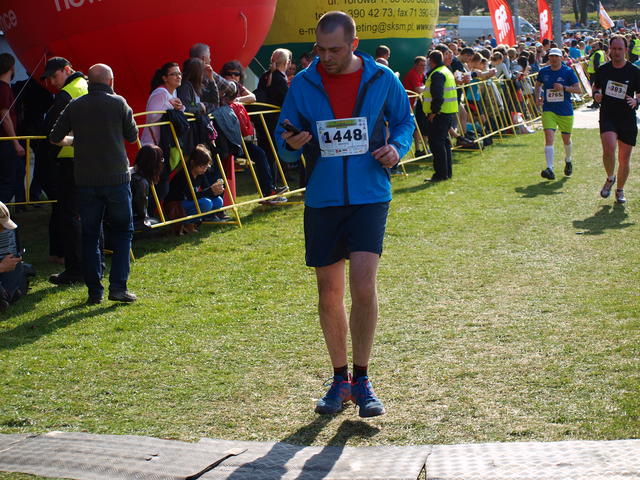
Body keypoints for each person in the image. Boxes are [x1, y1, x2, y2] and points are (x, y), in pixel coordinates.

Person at [275, 11, 414, 418]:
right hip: (323, 197)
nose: (326, 57)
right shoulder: (303, 83)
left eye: (334, 50)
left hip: (370, 194)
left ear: (354, 45)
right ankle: (339, 380)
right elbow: (284, 137)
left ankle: (364, 379)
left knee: (363, 285)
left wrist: (397, 148)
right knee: (328, 291)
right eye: (320, 49)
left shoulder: (382, 78)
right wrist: (292, 142)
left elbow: (404, 122)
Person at [49, 63, 139, 304]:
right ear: (111, 81)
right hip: (117, 179)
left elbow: (54, 137)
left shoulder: (75, 105)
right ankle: (118, 287)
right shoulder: (119, 102)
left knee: (89, 236)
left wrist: (75, 140)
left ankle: (94, 292)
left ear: (89, 82)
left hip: (86, 181)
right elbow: (132, 136)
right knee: (122, 232)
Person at [41, 57, 88, 285]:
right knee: (89, 214)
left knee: (70, 216)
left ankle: (75, 268)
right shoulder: (88, 85)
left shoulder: (67, 93)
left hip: (69, 160)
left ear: (67, 70)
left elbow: (51, 132)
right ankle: (89, 264)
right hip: (90, 159)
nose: (52, 81)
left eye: (54, 75)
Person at [592, 35, 640, 204]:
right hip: (608, 115)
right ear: (609, 50)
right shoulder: (603, 70)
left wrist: (636, 101)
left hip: (627, 117)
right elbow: (595, 87)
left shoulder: (634, 71)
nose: (617, 52)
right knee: (609, 148)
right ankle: (610, 178)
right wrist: (596, 95)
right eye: (614, 49)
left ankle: (620, 190)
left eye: (620, 49)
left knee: (624, 159)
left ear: (626, 50)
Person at [534, 48, 581, 180]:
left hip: (565, 110)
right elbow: (537, 86)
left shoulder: (568, 71)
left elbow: (578, 90)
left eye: (556, 56)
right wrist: (537, 98)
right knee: (549, 138)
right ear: (549, 57)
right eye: (551, 56)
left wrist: (564, 88)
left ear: (561, 58)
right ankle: (550, 168)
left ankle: (568, 160)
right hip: (549, 110)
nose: (554, 58)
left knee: (566, 139)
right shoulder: (544, 71)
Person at [165, 144, 225, 232]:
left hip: (189, 202)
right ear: (193, 163)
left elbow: (206, 189)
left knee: (218, 201)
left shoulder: (201, 174)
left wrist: (216, 191)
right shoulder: (184, 175)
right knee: (206, 203)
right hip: (177, 205)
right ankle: (187, 223)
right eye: (202, 166)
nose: (204, 169)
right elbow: (190, 196)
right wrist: (210, 191)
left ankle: (193, 222)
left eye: (206, 166)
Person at [423, 50, 458, 182]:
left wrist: (433, 112)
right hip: (447, 112)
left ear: (431, 60)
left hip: (439, 114)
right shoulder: (446, 71)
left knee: (437, 144)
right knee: (444, 143)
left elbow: (438, 95)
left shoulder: (437, 74)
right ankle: (446, 173)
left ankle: (440, 174)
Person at [0, 54, 25, 206]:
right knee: (8, 182)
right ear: (11, 68)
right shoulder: (3, 88)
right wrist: (15, 143)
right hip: (5, 141)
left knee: (18, 173)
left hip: (5, 141)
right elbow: (5, 117)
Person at [140, 62, 185, 145]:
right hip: (152, 142)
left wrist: (180, 107)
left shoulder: (174, 91)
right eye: (174, 74)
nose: (179, 77)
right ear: (165, 78)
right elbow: (151, 117)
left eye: (179, 73)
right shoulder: (160, 92)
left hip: (165, 141)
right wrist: (170, 105)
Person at [131, 145, 163, 230]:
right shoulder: (141, 182)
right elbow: (141, 211)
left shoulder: (130, 172)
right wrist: (146, 218)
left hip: (113, 217)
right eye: (161, 160)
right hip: (127, 219)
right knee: (156, 224)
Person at [587, 42, 606, 109]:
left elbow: (596, 64)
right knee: (597, 88)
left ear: (599, 47)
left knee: (595, 89)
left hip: (595, 73)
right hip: (596, 73)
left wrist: (597, 73)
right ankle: (596, 102)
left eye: (595, 46)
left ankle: (596, 103)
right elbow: (590, 57)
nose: (593, 47)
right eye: (593, 46)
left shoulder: (597, 53)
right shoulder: (599, 52)